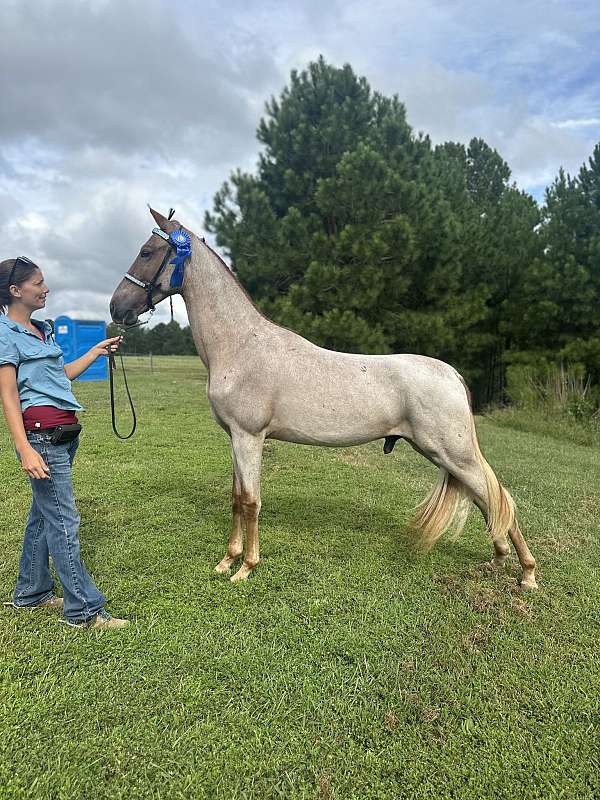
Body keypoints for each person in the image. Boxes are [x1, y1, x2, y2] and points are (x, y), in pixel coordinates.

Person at [0, 256, 128, 630]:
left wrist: (94, 353)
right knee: (64, 523)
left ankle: (31, 592)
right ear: (15, 291)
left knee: (43, 517)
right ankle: (83, 612)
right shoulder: (6, 335)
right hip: (40, 438)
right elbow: (8, 397)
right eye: (38, 282)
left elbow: (59, 378)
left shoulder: (43, 331)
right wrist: (24, 448)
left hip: (63, 435)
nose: (45, 288)